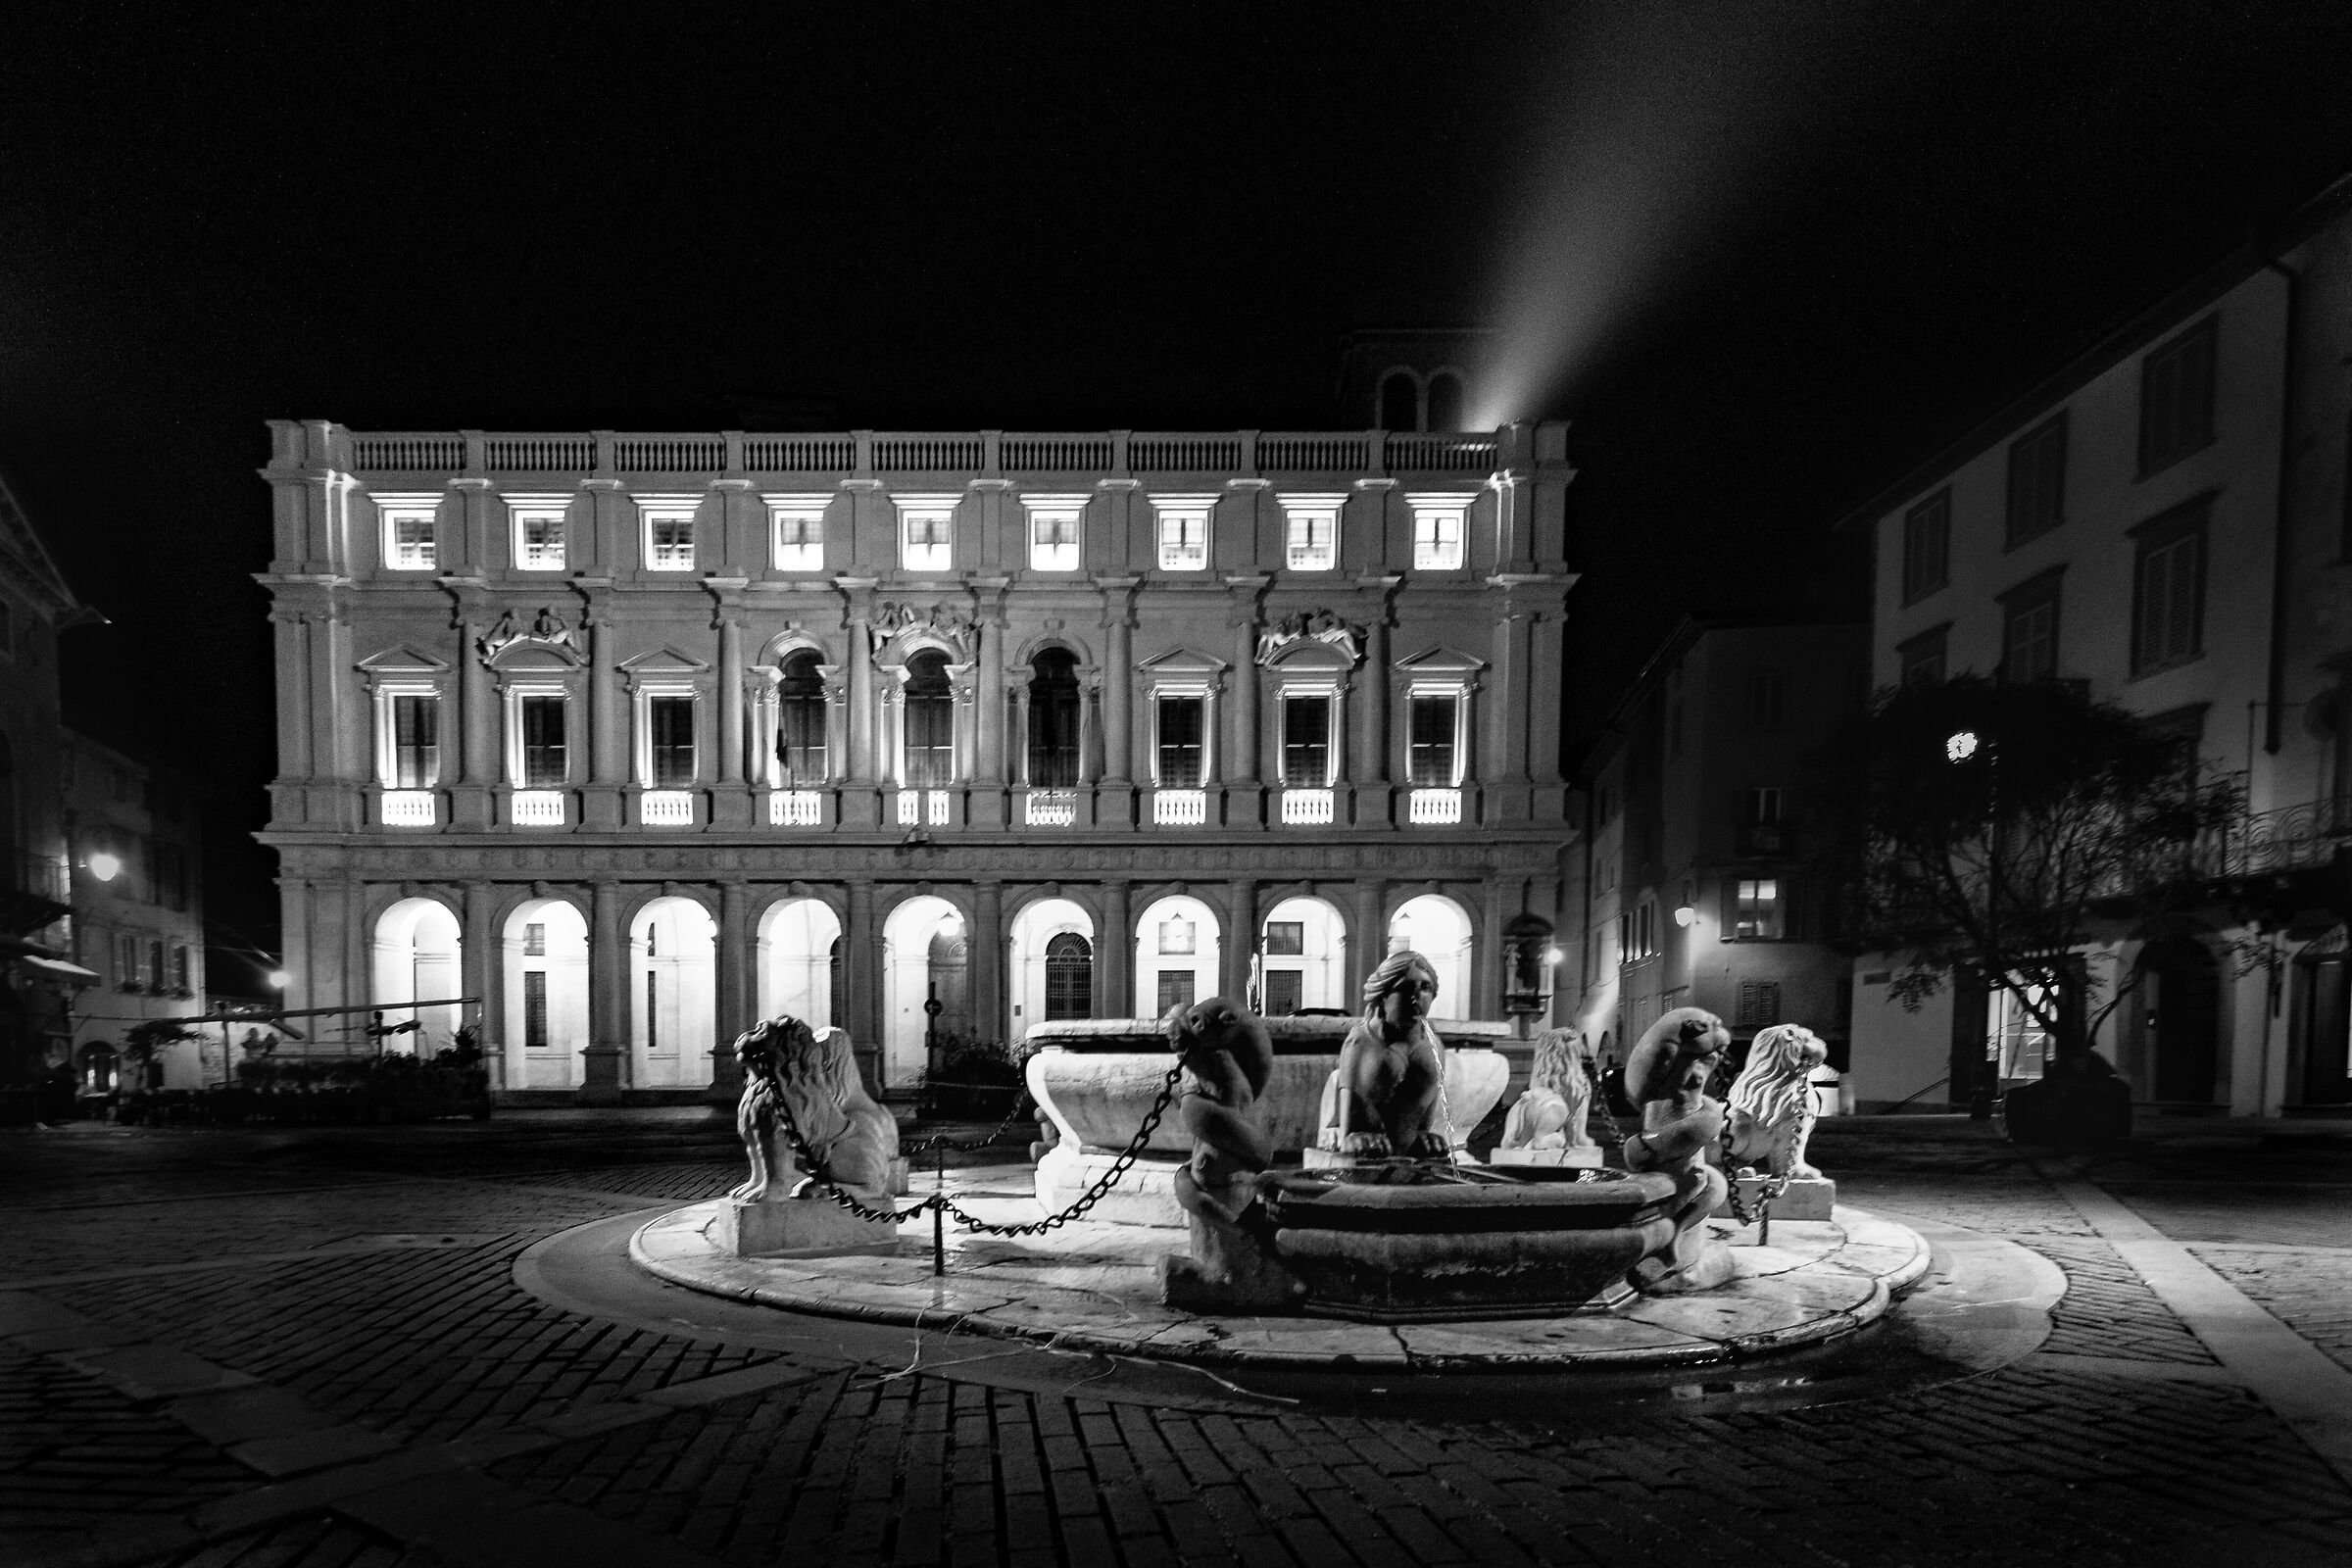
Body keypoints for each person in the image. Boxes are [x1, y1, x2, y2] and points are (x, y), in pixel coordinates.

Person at [1317, 950, 1449, 1157]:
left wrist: (1423, 1135)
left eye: (1425, 987)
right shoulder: (1361, 1042)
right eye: (1406, 988)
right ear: (1382, 996)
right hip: (1364, 1136)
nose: (1416, 997)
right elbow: (1351, 1119)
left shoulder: (1433, 1046)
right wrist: (1351, 1135)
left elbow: (1425, 1112)